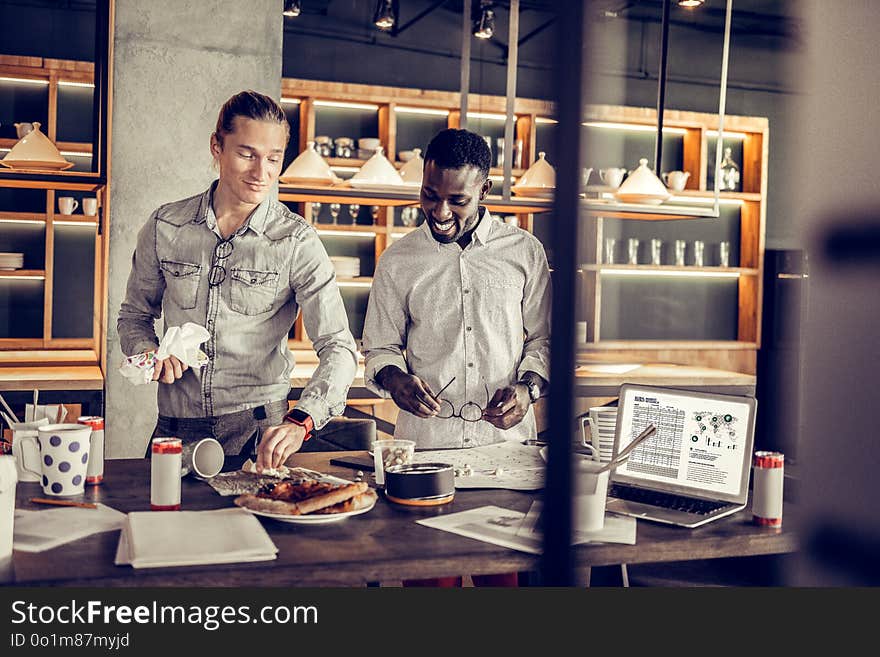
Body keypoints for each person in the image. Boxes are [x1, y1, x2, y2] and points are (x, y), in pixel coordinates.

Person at [118, 90, 359, 473]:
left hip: (260, 435)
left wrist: (304, 419)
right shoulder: (165, 226)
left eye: (274, 158)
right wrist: (150, 355)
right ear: (217, 146)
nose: (261, 172)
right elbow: (133, 315)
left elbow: (339, 346)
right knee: (157, 530)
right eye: (247, 154)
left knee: (253, 534)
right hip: (175, 431)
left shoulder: (296, 240)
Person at [362, 128, 551, 586]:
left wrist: (527, 392)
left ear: (485, 189)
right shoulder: (398, 260)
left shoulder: (524, 253)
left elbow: (545, 342)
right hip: (425, 450)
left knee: (500, 585)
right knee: (428, 588)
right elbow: (379, 347)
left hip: (505, 455)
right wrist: (395, 381)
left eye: (456, 200)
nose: (440, 211)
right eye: (429, 195)